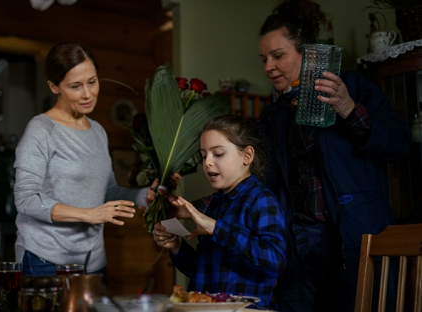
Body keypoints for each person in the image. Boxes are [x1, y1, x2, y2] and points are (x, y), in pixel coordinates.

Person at [255, 0, 412, 311]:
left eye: (278, 56)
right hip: (299, 249)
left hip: (355, 241)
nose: (268, 67)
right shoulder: (273, 116)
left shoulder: (352, 86)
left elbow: (400, 143)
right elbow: (264, 183)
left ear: (307, 52)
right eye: (263, 59)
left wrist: (348, 108)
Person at [14, 41, 157, 282]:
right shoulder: (41, 130)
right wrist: (88, 214)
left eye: (92, 82)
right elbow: (26, 199)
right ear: (54, 87)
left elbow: (108, 191)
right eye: (75, 86)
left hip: (93, 263)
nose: (88, 93)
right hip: (45, 262)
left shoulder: (98, 131)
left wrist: (148, 194)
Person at [152, 114, 287, 309]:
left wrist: (217, 228)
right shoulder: (217, 203)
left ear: (247, 156)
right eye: (204, 155)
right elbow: (203, 271)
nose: (207, 162)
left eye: (218, 153)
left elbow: (275, 261)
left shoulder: (261, 200)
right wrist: (176, 245)